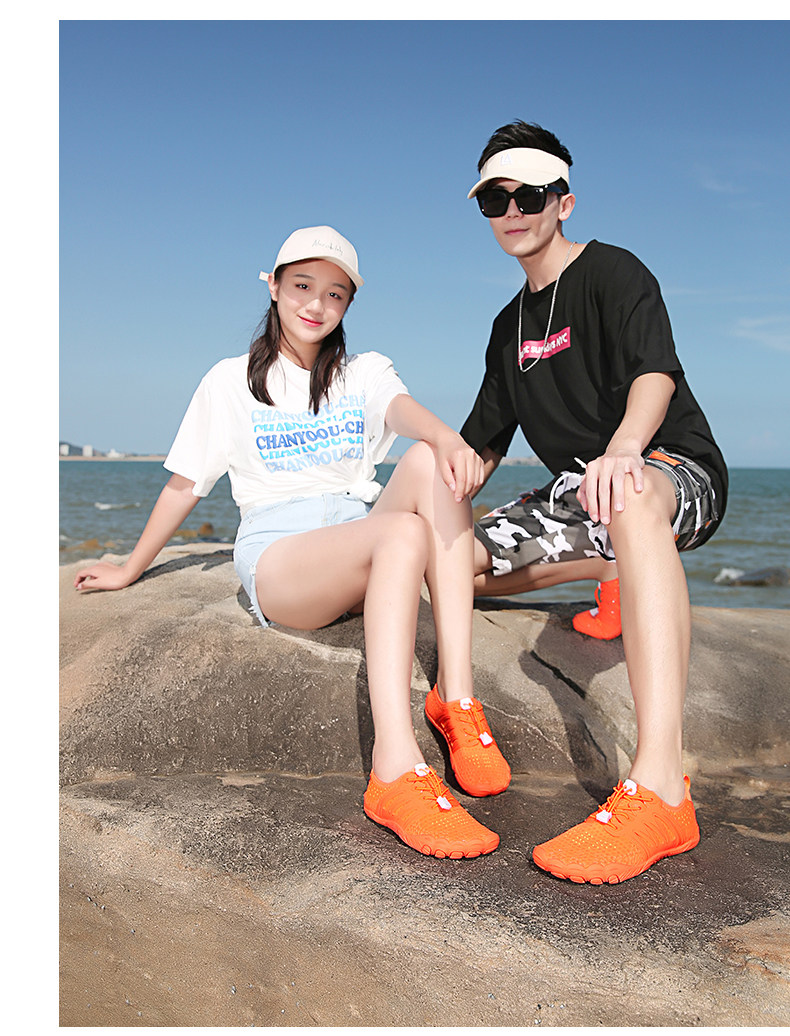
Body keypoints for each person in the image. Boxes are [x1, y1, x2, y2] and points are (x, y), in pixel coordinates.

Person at [74, 225, 512, 860]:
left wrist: (446, 438)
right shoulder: (229, 381)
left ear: (348, 304)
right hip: (285, 557)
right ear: (274, 286)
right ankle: (394, 766)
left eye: (335, 294)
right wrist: (130, 566)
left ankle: (457, 696)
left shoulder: (363, 371)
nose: (316, 304)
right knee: (403, 529)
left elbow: (399, 408)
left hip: (358, 537)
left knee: (427, 460)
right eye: (303, 285)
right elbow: (186, 483)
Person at [462, 122, 728, 884]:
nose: (513, 211)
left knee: (632, 498)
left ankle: (662, 788)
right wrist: (398, 516)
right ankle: (614, 571)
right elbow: (479, 447)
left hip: (668, 469)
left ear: (564, 202)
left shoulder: (613, 272)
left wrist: (625, 449)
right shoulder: (507, 327)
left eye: (529, 195)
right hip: (579, 497)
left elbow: (655, 373)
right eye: (494, 200)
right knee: (452, 565)